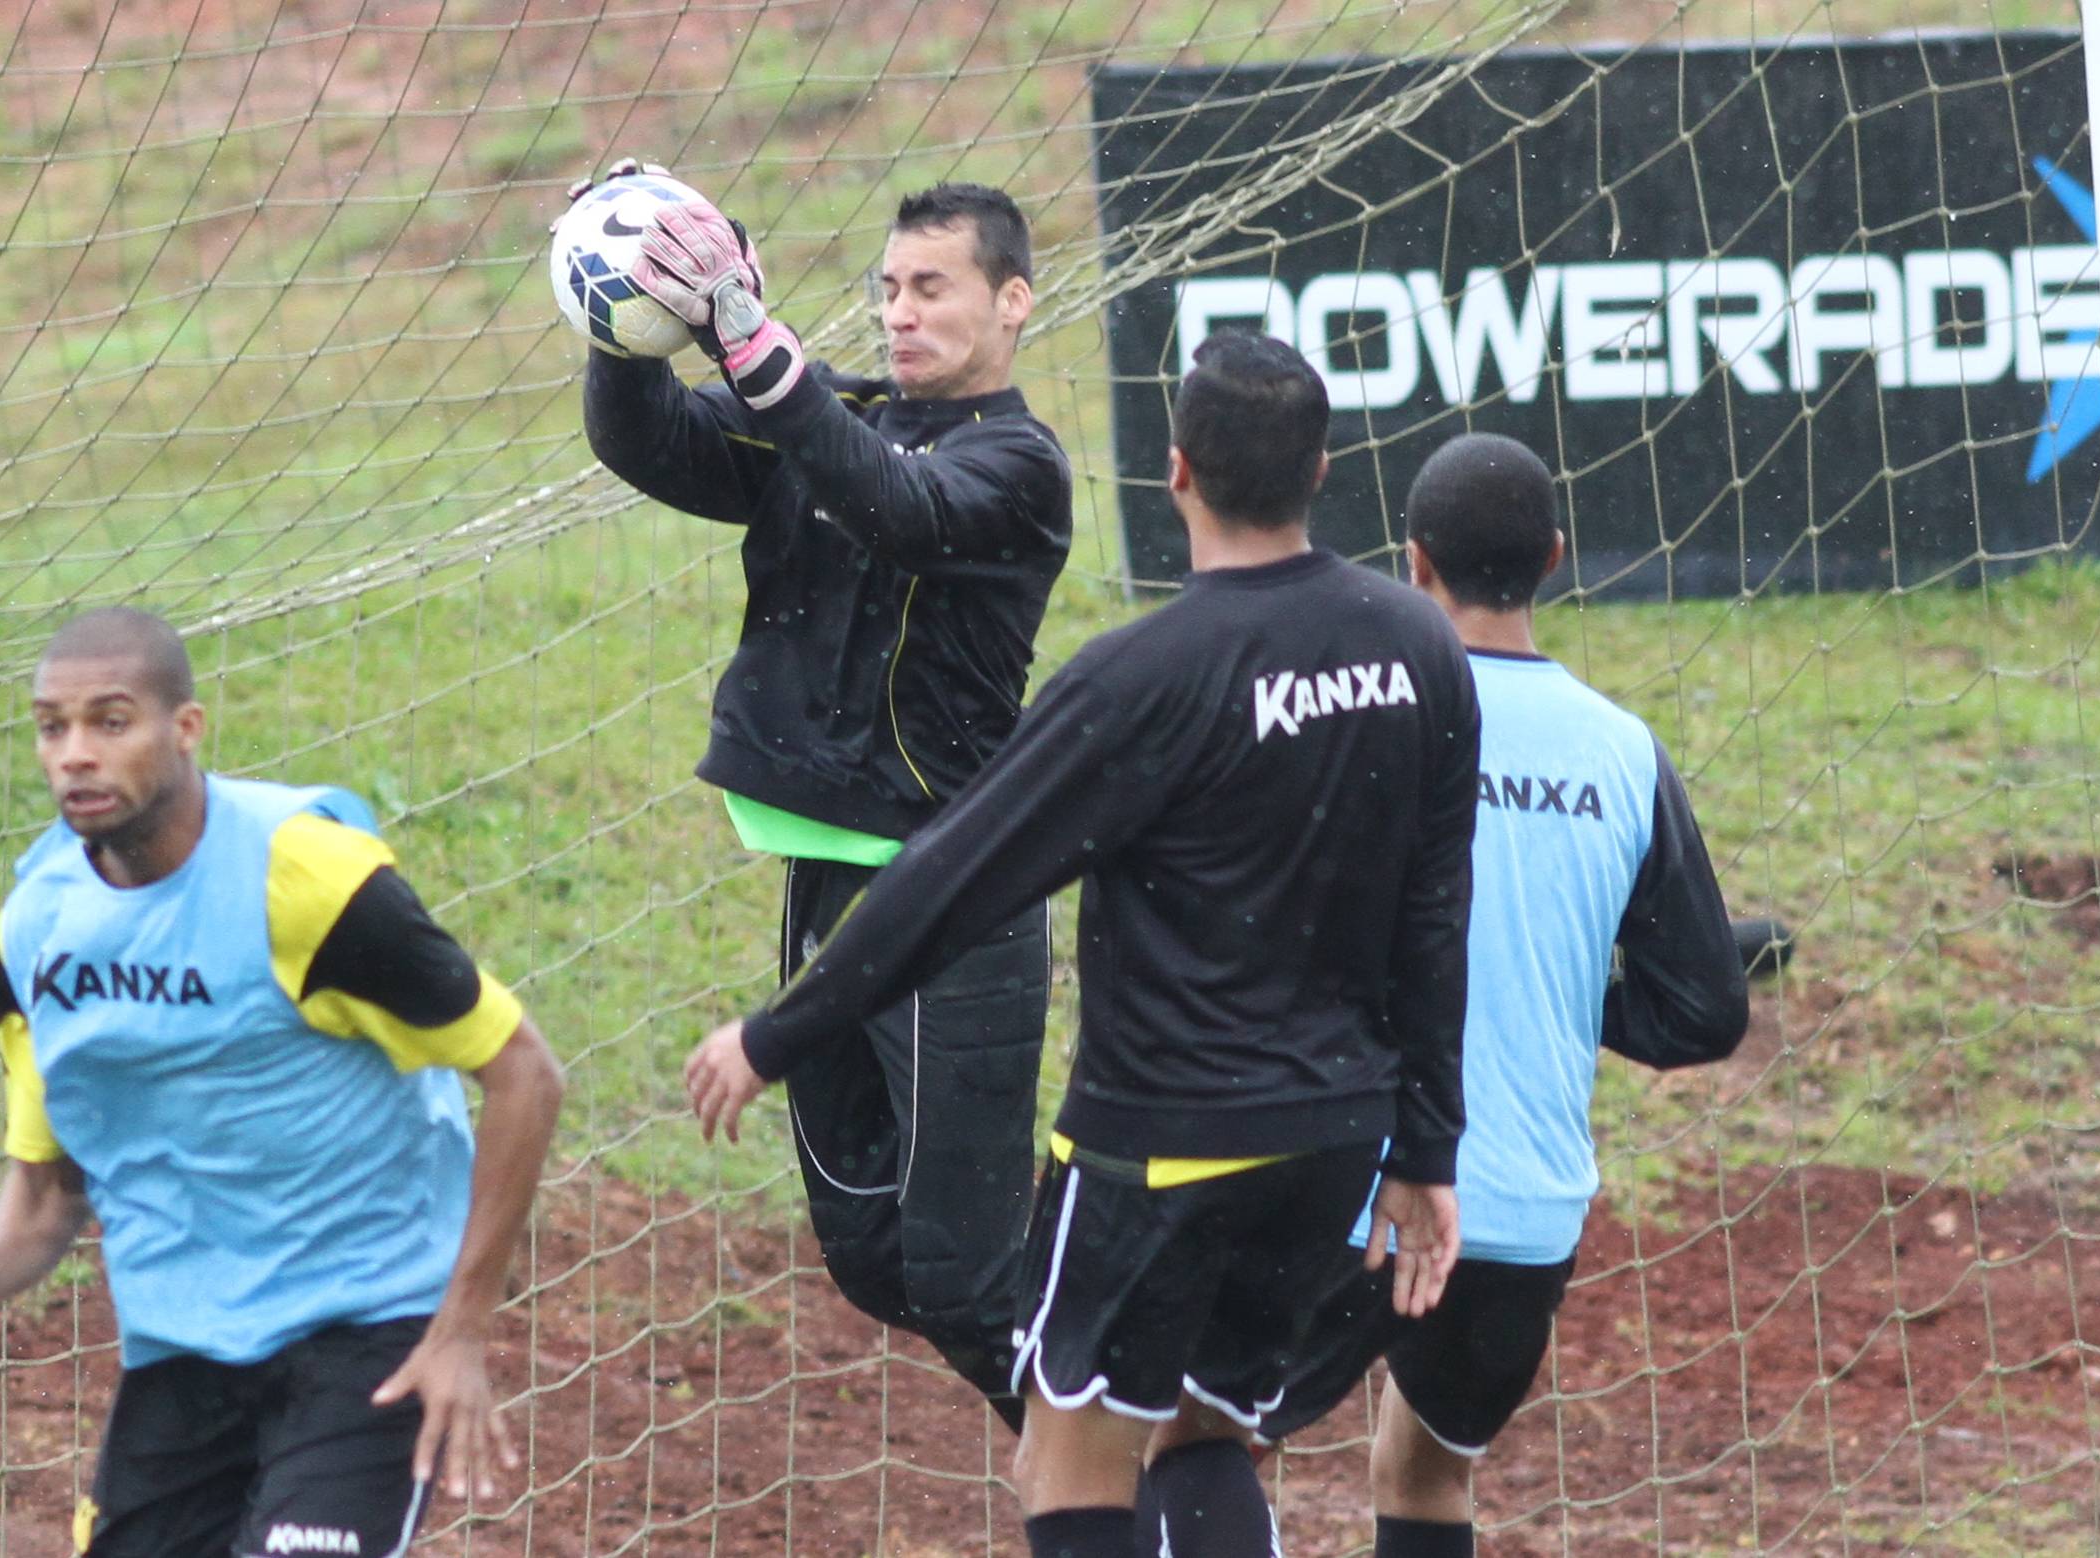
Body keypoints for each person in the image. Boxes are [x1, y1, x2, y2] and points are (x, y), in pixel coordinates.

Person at [683, 330, 1481, 1558]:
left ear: (1174, 473)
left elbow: (949, 873)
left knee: (1068, 1454)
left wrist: (780, 1031)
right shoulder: (1414, 642)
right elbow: (1437, 909)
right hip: (1335, 1138)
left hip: (1156, 1153)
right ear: (1321, 468)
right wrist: (1426, 1143)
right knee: (1205, 1435)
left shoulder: (1139, 676)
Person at [0, 608, 565, 1558]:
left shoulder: (307, 882)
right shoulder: (37, 932)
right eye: (51, 726)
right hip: (183, 1349)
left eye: (110, 723)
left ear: (185, 730)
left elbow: (523, 1071)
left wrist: (461, 1329)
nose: (75, 754)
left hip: (370, 1328)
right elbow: (48, 1192)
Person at [574, 165, 1074, 1426]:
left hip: (957, 897)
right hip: (830, 875)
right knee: (869, 1257)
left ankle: (1148, 1477)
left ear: (1012, 303)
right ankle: (1107, 1424)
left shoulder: (1019, 466)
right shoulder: (836, 422)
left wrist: (751, 336)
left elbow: (898, 508)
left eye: (933, 288)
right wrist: (630, 327)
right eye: (889, 287)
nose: (901, 312)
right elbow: (647, 439)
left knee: (965, 1275)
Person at [1194, 432, 1751, 1558]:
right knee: (1426, 1475)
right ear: (1553, 557)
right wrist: (1557, 986)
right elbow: (1705, 1011)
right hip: (1523, 1220)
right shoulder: (1625, 752)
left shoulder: (1358, 717)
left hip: (1358, 1192)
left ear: (1412, 563)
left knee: (1192, 1446)